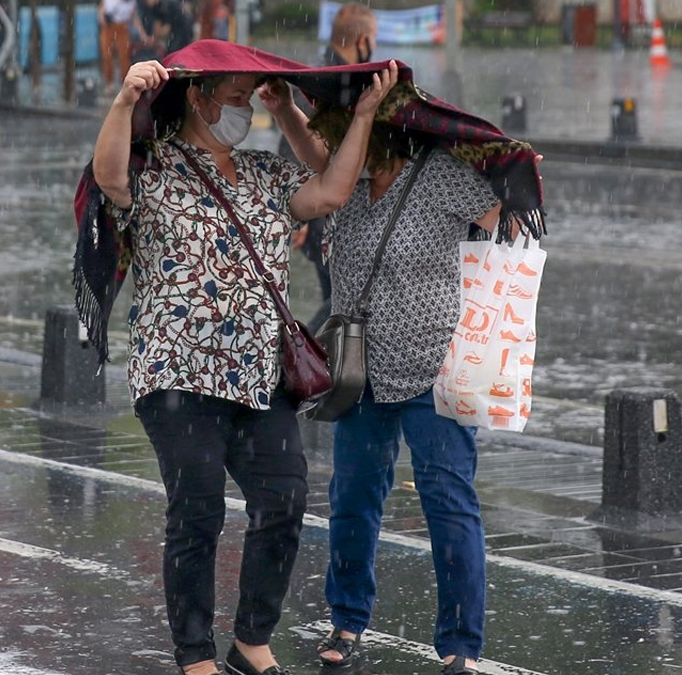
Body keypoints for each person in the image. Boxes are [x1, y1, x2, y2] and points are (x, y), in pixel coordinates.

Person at [88, 45, 397, 675]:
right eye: (234, 98)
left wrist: (355, 113)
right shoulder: (156, 168)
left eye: (249, 100)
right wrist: (124, 100)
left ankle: (251, 639)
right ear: (197, 97)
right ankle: (195, 653)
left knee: (284, 501)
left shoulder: (266, 172)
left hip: (259, 375)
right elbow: (109, 178)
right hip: (177, 371)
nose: (243, 110)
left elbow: (335, 188)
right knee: (197, 506)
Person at [270, 84, 543, 673]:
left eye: (343, 130)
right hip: (359, 372)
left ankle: (460, 646)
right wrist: (283, 109)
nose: (335, 142)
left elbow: (509, 220)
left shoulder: (440, 176)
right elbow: (314, 157)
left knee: (448, 503)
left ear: (385, 131)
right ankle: (346, 622)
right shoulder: (352, 178)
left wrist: (511, 171)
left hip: (434, 369)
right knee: (352, 500)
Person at [277, 2, 377, 332]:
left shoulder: (328, 75)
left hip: (328, 210)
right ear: (363, 39)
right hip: (322, 213)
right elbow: (293, 144)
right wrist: (299, 217)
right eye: (373, 39)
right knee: (342, 299)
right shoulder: (327, 82)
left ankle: (319, 361)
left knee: (339, 296)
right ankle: (308, 355)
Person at [98, 0, 135, 93]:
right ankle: (110, 82)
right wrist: (102, 18)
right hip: (108, 26)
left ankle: (125, 82)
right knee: (106, 54)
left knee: (124, 55)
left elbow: (133, 14)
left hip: (122, 26)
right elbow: (102, 8)